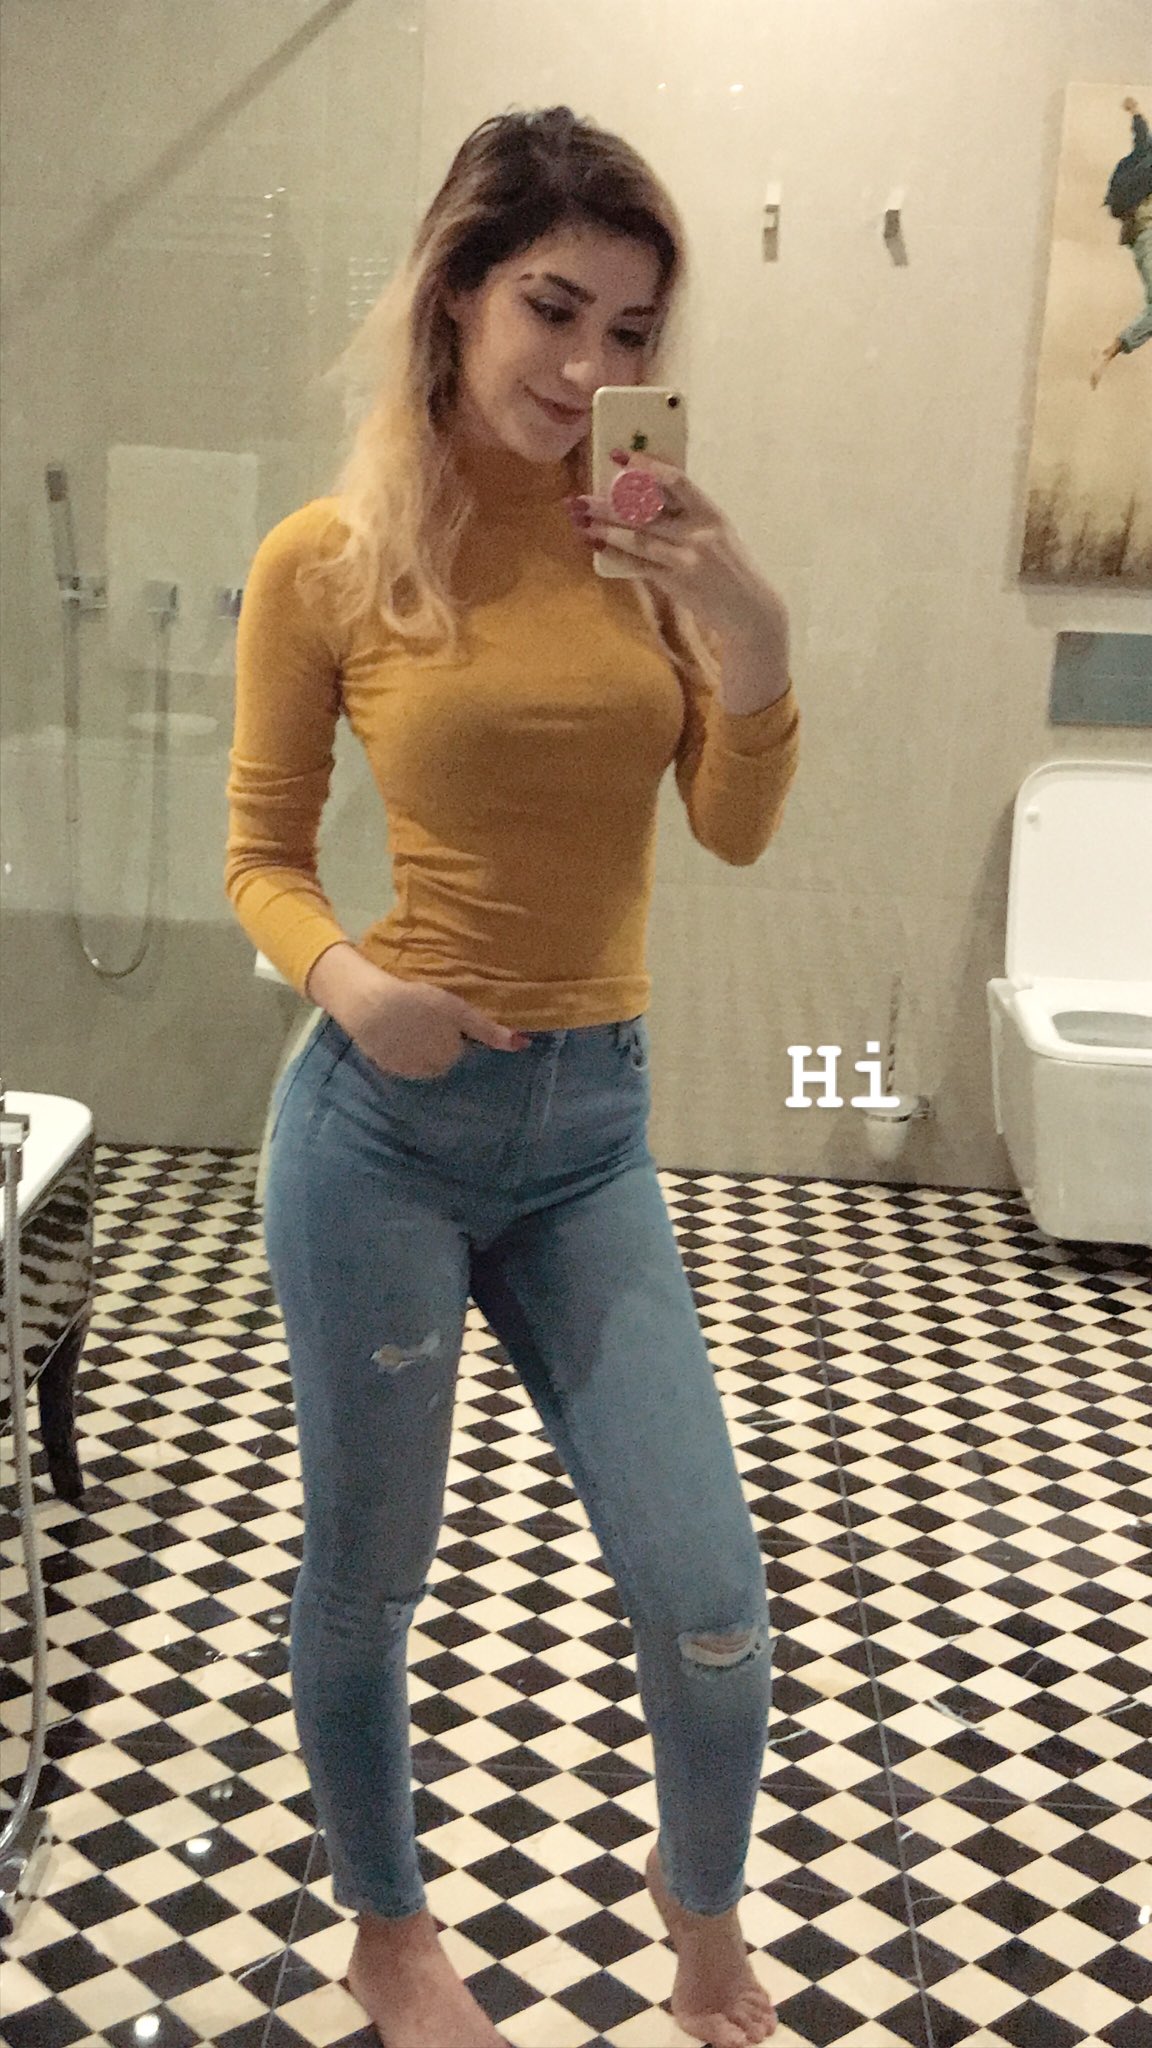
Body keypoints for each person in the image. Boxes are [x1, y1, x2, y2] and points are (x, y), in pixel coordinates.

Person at [225, 105, 800, 2048]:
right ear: (457, 290)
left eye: (630, 330)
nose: (585, 365)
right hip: (379, 1129)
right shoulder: (327, 560)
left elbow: (731, 825)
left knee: (707, 1590)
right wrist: (354, 983)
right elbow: (260, 856)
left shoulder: (643, 548)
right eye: (553, 307)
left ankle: (697, 1898)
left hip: (590, 1137)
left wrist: (748, 629)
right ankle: (390, 1932)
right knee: (369, 1569)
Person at [1090, 96, 1152, 388]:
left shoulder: (1141, 157)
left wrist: (1135, 112)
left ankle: (1111, 350)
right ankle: (1110, 350)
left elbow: (1142, 137)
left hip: (1141, 239)